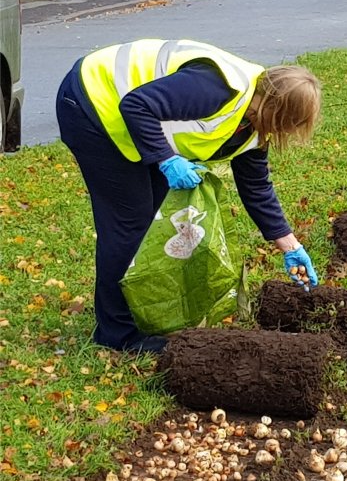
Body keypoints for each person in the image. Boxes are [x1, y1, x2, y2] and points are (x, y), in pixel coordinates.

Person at [56, 39, 321, 354]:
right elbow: (136, 105)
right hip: (93, 102)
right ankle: (118, 335)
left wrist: (290, 245)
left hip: (132, 124)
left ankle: (136, 311)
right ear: (278, 111)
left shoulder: (253, 125)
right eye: (290, 126)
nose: (286, 134)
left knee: (151, 221)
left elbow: (256, 188)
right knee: (130, 223)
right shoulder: (217, 89)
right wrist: (166, 159)